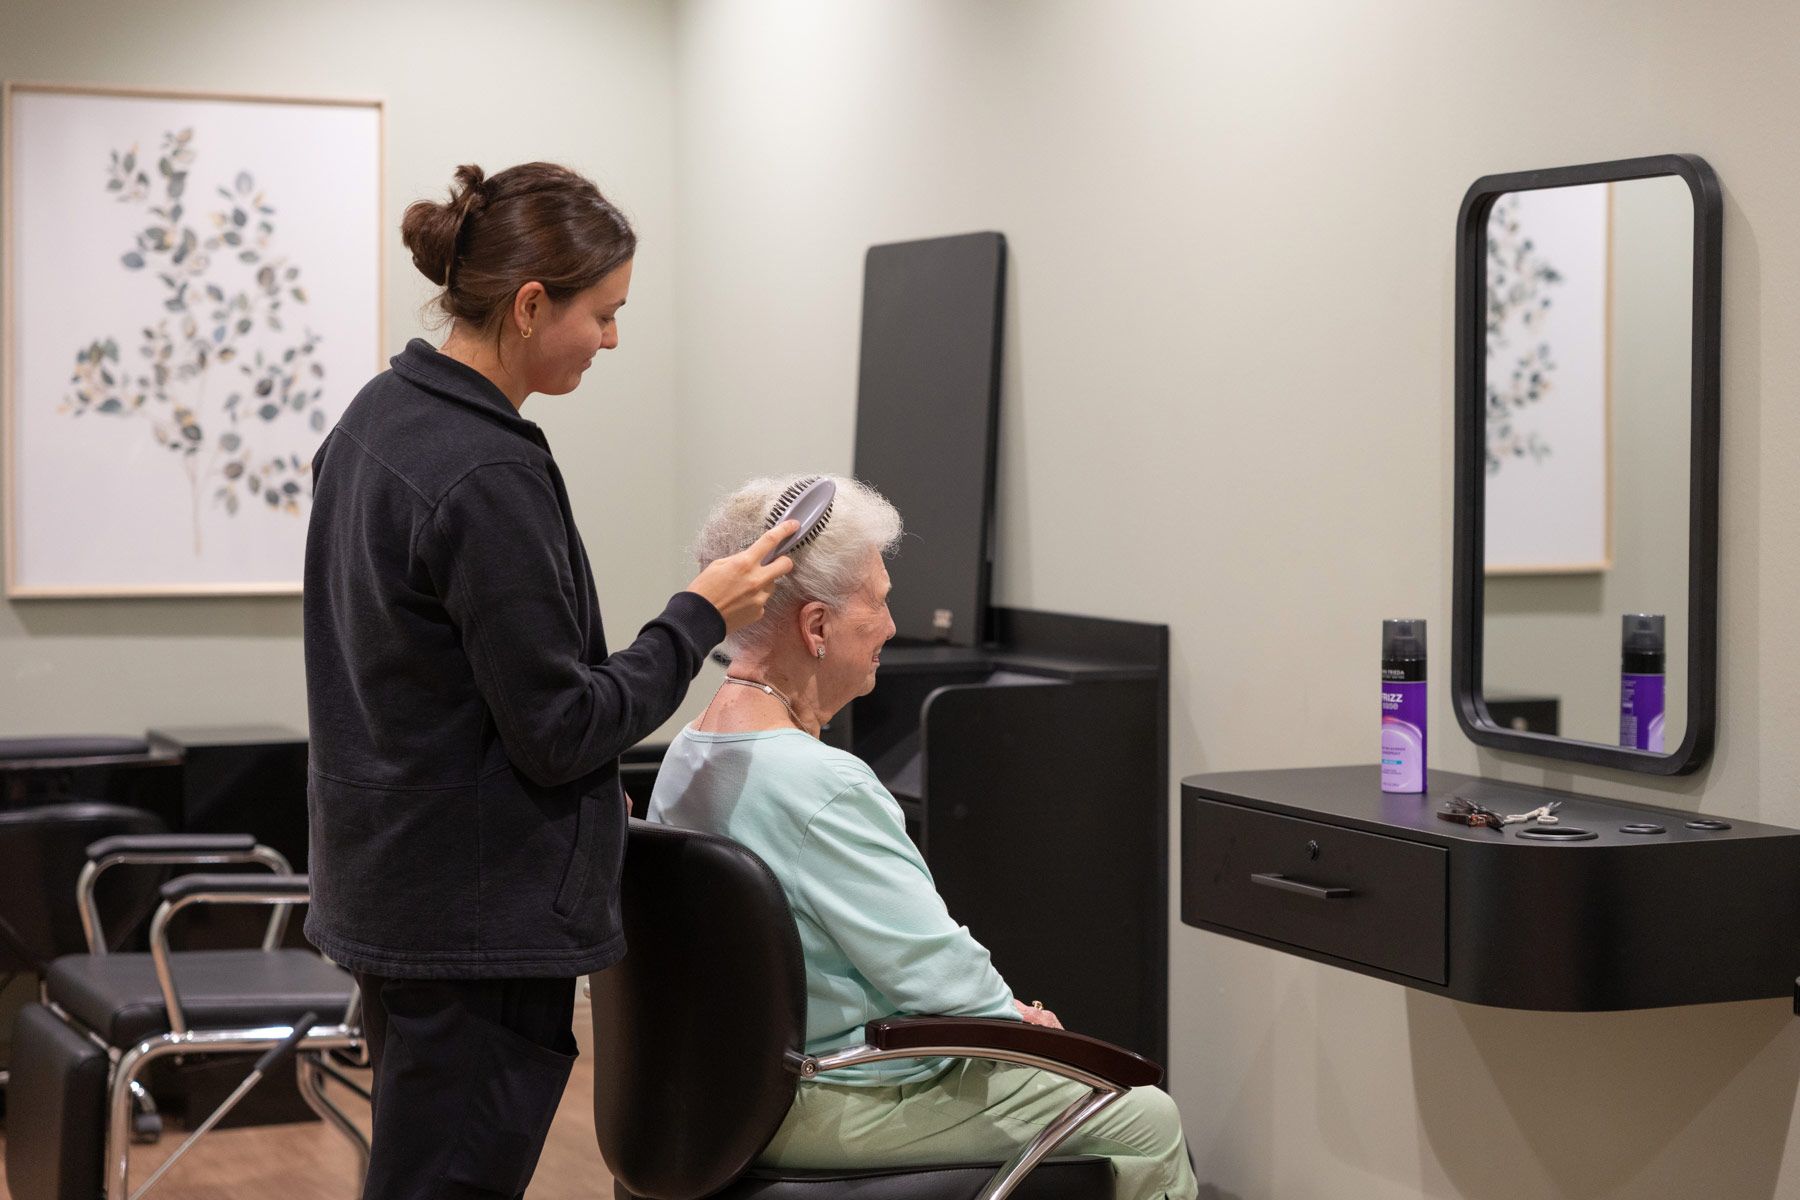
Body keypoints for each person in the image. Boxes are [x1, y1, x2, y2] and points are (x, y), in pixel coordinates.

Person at [302, 162, 797, 1200]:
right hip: (470, 930)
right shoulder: (486, 475)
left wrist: (575, 808)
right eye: (604, 316)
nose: (612, 342)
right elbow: (561, 725)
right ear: (531, 304)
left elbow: (429, 693)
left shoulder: (373, 422)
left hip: (395, 895)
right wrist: (699, 613)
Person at [647, 475, 1199, 1200]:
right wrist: (1025, 1026)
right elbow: (935, 974)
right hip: (821, 1099)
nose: (889, 625)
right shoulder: (822, 785)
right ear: (816, 627)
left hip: (711, 1089)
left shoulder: (689, 753)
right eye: (877, 601)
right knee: (1142, 1116)